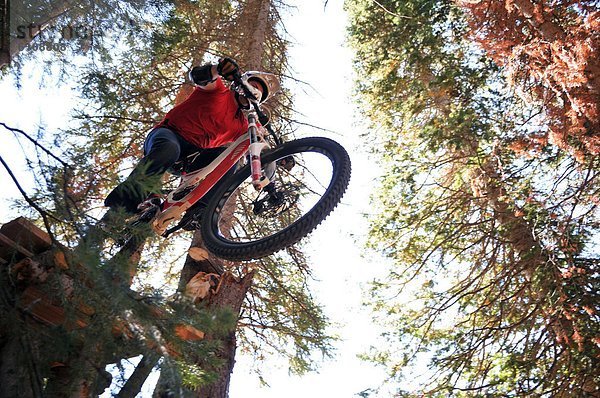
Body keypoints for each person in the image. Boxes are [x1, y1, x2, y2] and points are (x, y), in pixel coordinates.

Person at [104, 57, 279, 214]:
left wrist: (280, 157)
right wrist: (218, 70)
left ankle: (199, 211)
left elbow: (256, 146)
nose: (254, 92)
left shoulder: (242, 123)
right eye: (253, 86)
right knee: (169, 149)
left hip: (192, 157)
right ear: (243, 83)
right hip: (169, 135)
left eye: (259, 93)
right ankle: (127, 199)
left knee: (230, 163)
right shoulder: (219, 91)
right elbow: (197, 77)